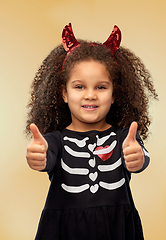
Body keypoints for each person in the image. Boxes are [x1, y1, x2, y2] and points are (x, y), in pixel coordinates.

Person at [25, 23, 158, 240]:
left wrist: (139, 158)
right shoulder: (56, 141)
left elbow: (141, 156)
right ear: (64, 93)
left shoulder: (124, 138)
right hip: (63, 232)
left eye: (101, 87)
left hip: (117, 230)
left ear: (114, 94)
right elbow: (45, 157)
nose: (90, 95)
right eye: (79, 87)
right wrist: (37, 156)